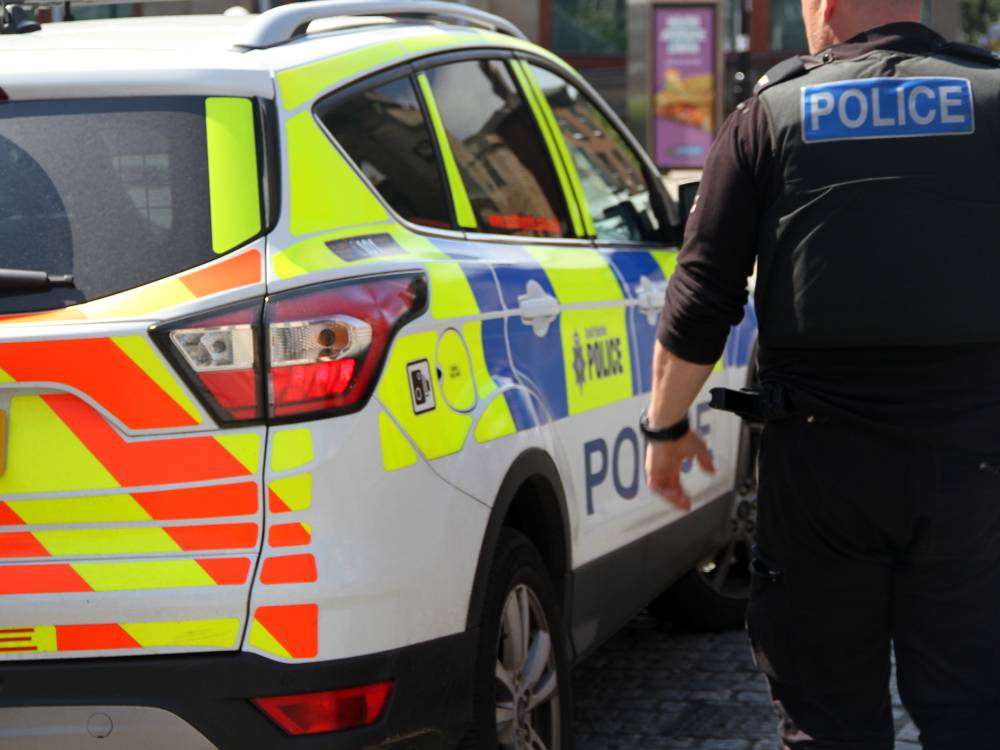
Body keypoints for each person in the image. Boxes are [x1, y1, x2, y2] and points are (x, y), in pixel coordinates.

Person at [642, 1, 1000, 748]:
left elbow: (704, 293)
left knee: (827, 716)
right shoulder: (991, 97)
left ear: (825, 9)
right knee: (975, 708)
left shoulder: (770, 115)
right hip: (978, 465)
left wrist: (667, 425)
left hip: (821, 465)